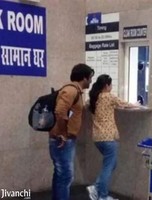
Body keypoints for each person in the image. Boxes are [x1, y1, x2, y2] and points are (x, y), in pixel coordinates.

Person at [87, 74, 138, 200]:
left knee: (110, 164)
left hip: (97, 138)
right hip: (109, 137)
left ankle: (98, 190)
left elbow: (86, 106)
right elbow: (126, 104)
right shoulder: (109, 97)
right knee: (108, 166)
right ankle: (101, 194)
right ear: (106, 85)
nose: (111, 87)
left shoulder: (93, 98)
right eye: (111, 84)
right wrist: (135, 104)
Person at [49, 63, 94, 200]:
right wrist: (63, 134)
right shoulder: (71, 91)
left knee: (60, 174)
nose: (91, 81)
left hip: (64, 139)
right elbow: (60, 111)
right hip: (63, 140)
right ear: (84, 78)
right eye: (90, 77)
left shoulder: (75, 91)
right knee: (66, 176)